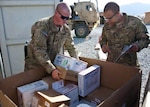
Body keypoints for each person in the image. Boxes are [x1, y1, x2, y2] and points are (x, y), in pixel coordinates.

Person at [24, 2, 78, 80]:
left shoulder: (65, 30)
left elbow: (71, 47)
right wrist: (52, 69)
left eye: (67, 18)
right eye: (63, 17)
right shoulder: (42, 26)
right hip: (35, 66)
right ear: (56, 13)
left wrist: (77, 64)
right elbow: (39, 50)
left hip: (51, 67)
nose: (65, 21)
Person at [99, 2, 150, 66]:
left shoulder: (135, 23)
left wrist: (137, 46)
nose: (107, 21)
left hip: (129, 65)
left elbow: (145, 39)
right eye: (106, 18)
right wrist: (103, 45)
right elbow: (103, 39)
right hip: (112, 63)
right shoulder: (107, 25)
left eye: (110, 18)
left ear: (118, 13)